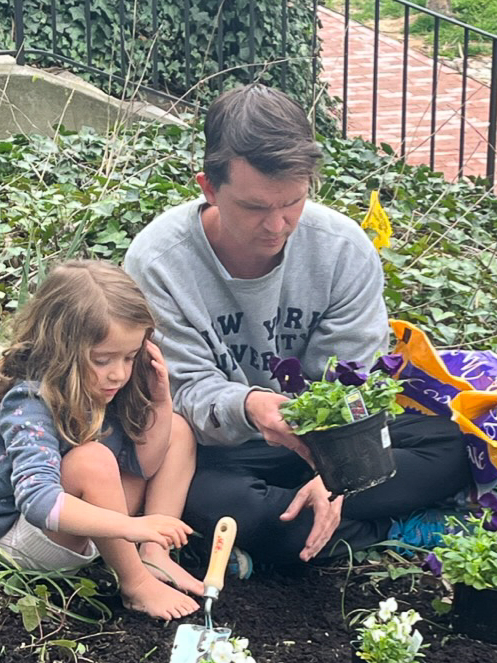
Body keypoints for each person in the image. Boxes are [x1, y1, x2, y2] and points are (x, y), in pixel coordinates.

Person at [124, 84, 472, 568]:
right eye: (254, 206)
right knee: (215, 500)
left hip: (335, 442)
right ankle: (379, 526)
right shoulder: (158, 261)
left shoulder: (342, 248)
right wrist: (249, 406)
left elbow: (351, 376)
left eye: (293, 202)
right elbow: (179, 392)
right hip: (227, 451)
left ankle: (305, 529)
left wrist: (337, 472)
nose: (277, 224)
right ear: (208, 187)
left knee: (451, 446)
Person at [0, 260, 204, 620]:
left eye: (130, 356)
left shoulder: (109, 386)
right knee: (92, 460)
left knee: (178, 429)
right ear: (60, 349)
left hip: (94, 526)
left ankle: (154, 555)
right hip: (21, 540)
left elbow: (144, 466)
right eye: (102, 359)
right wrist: (132, 526)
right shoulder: (29, 401)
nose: (119, 373)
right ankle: (135, 583)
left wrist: (161, 400)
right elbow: (39, 502)